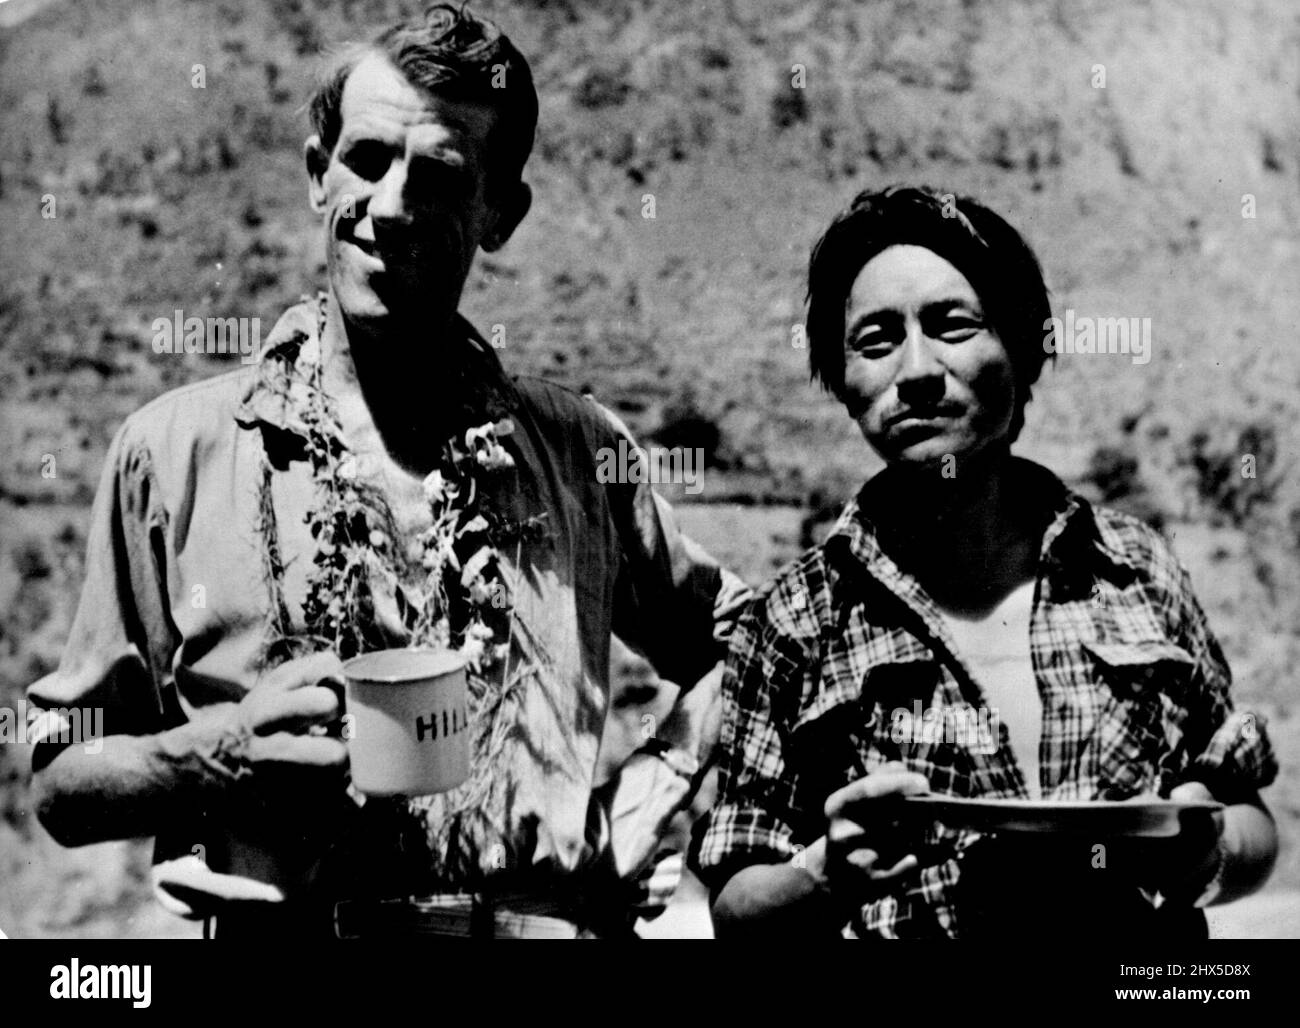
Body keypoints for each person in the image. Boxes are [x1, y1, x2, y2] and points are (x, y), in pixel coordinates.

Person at [27, 4, 747, 939]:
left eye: (441, 178)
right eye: (366, 160)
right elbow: (58, 777)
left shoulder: (577, 452)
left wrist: (650, 795)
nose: (393, 206)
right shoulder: (174, 452)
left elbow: (750, 644)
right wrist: (213, 756)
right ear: (316, 174)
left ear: (500, 213)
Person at [690, 185, 1278, 939]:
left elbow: (1247, 819)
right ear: (845, 386)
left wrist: (1208, 852)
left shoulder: (1134, 568)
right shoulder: (798, 619)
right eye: (876, 341)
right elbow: (738, 910)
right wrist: (823, 873)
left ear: (1023, 350)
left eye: (952, 325)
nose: (919, 370)